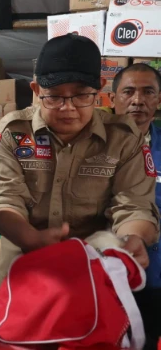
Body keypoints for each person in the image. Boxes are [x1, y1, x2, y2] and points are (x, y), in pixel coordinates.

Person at [0, 34, 160, 295]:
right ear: (36, 91)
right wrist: (30, 238)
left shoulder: (124, 139)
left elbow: (133, 204)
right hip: (22, 276)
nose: (67, 108)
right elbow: (5, 197)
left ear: (99, 90)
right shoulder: (11, 132)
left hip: (94, 278)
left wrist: (132, 238)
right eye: (54, 97)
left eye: (81, 96)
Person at [110, 63, 161, 350]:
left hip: (155, 278)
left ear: (159, 99)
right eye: (128, 92)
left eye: (148, 92)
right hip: (105, 277)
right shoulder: (90, 146)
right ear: (112, 97)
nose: (138, 100)